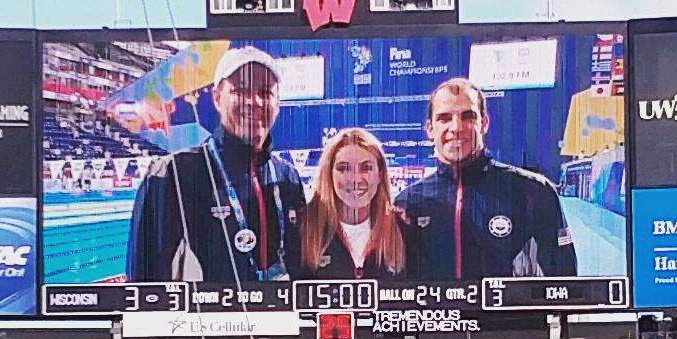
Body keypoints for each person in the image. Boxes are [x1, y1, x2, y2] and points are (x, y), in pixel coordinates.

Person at [126, 45, 305, 282]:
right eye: (240, 90)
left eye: (265, 92)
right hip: (209, 319)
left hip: (280, 316)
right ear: (217, 98)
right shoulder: (173, 174)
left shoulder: (288, 178)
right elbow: (142, 281)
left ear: (278, 103)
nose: (254, 101)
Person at [394, 77, 577, 280]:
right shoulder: (408, 203)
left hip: (509, 312)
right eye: (444, 118)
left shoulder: (533, 192)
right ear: (430, 129)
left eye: (468, 116)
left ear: (484, 124)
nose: (456, 127)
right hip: (437, 313)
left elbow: (565, 285)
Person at [300, 128, 405, 278]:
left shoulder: (402, 228)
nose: (355, 179)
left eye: (366, 168)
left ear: (380, 174)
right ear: (329, 173)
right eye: (344, 168)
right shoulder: (304, 229)